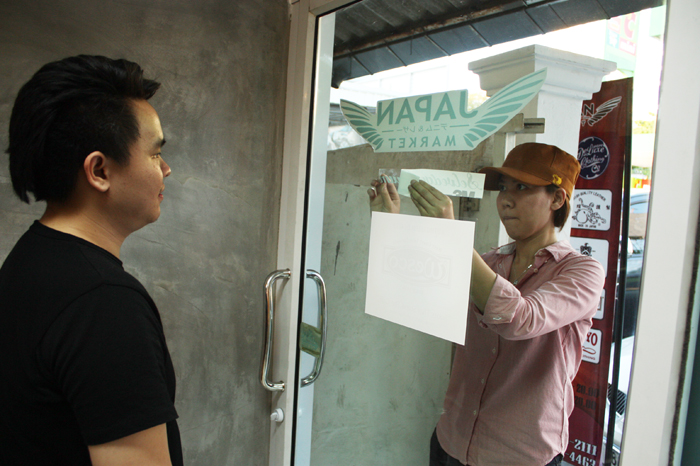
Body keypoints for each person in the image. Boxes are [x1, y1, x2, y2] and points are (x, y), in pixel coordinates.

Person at [368, 143, 605, 466]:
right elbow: (419, 303)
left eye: (522, 188)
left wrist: (451, 238)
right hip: (452, 439)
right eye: (503, 188)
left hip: (518, 455)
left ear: (557, 199)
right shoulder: (489, 262)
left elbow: (521, 319)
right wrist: (389, 225)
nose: (506, 199)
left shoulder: (581, 272)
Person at [0, 55, 181, 466]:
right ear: (99, 170)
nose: (167, 170)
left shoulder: (29, 259)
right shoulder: (103, 303)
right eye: (155, 155)